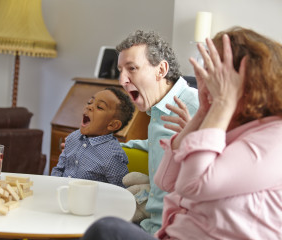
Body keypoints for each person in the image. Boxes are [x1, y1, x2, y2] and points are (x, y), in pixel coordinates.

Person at [80, 26, 282, 239]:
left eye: (215, 73)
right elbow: (165, 179)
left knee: (105, 229)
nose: (122, 81)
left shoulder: (269, 137)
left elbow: (192, 185)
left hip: (167, 229)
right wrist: (204, 113)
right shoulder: (208, 117)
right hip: (166, 230)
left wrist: (217, 105)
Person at [116, 30, 199, 233]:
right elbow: (158, 144)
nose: (122, 80)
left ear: (161, 70)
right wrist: (106, 148)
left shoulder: (197, 106)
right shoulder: (158, 109)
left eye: (132, 69)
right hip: (151, 226)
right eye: (120, 70)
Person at [51, 87, 135, 187]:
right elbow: (59, 169)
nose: (90, 107)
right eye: (90, 102)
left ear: (112, 125)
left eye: (99, 107)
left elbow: (121, 191)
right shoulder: (72, 137)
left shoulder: (112, 155)